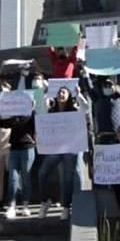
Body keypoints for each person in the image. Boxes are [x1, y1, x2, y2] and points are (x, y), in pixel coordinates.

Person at [38, 87, 79, 220]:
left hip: (69, 149)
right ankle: (45, 201)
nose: (61, 94)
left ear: (69, 96)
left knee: (68, 178)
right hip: (55, 149)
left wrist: (79, 95)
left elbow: (84, 114)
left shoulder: (74, 111)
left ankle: (66, 207)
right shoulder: (52, 111)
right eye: (59, 92)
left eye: (64, 92)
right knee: (42, 173)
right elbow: (44, 123)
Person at [0, 112, 37, 219]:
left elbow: (35, 123)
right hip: (14, 147)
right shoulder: (13, 113)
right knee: (12, 177)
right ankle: (11, 206)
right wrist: (1, 113)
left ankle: (25, 205)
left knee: (25, 177)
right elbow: (1, 123)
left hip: (28, 147)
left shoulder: (31, 113)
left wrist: (18, 118)